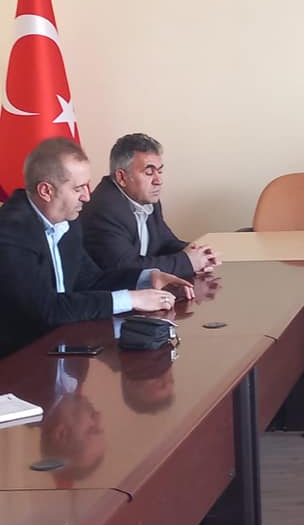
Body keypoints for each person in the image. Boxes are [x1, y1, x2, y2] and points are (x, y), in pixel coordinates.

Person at [0, 137, 194, 359]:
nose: (87, 196)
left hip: (65, 347)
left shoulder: (67, 220)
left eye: (87, 185)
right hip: (18, 361)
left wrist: (148, 278)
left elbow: (91, 280)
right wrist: (131, 299)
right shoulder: (11, 232)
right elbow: (47, 309)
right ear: (46, 191)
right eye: (78, 188)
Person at [81, 133, 219, 279]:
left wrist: (196, 253)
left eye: (160, 171)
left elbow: (164, 243)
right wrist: (187, 262)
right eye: (149, 172)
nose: (158, 180)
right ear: (122, 177)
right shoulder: (104, 209)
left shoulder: (146, 200)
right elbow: (125, 267)